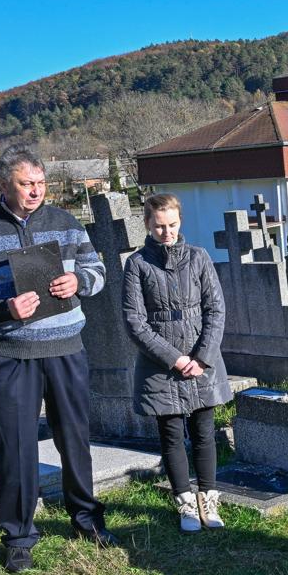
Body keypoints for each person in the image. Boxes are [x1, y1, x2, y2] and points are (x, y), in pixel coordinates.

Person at [0, 146, 115, 573]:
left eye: (40, 183)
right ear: (2, 185)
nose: (36, 191)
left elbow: (98, 272)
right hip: (10, 353)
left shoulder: (66, 223)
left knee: (74, 438)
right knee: (14, 444)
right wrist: (2, 310)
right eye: (26, 183)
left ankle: (86, 519)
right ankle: (19, 536)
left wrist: (79, 280)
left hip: (65, 347)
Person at [121, 194, 232, 534]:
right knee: (170, 435)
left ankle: (208, 499)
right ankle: (184, 501)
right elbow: (134, 321)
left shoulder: (199, 258)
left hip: (202, 359)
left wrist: (201, 357)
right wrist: (175, 358)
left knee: (203, 432)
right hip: (160, 364)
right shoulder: (138, 264)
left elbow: (216, 309)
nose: (166, 232)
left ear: (180, 222)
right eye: (158, 226)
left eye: (171, 225)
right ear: (148, 225)